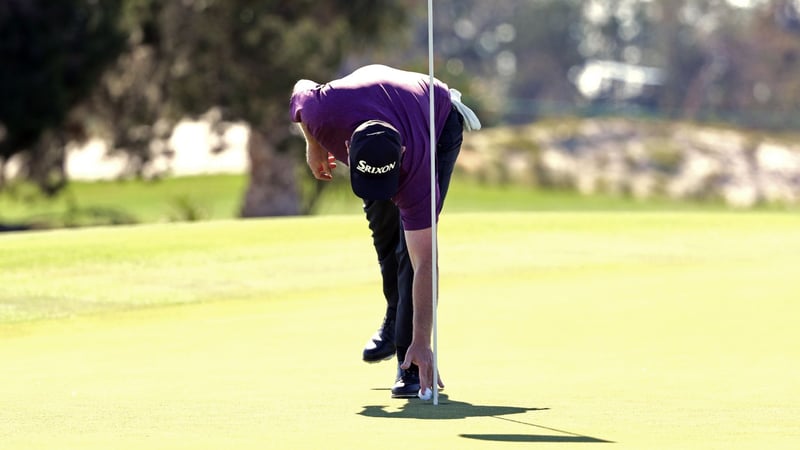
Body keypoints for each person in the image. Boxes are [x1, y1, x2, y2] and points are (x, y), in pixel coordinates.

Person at [290, 64, 480, 398]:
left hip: (437, 121)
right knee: (384, 234)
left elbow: (426, 261)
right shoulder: (322, 112)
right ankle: (395, 313)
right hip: (370, 110)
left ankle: (407, 363)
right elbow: (300, 87)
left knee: (408, 252)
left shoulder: (416, 166)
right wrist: (313, 143)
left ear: (401, 157)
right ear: (347, 148)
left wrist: (423, 342)